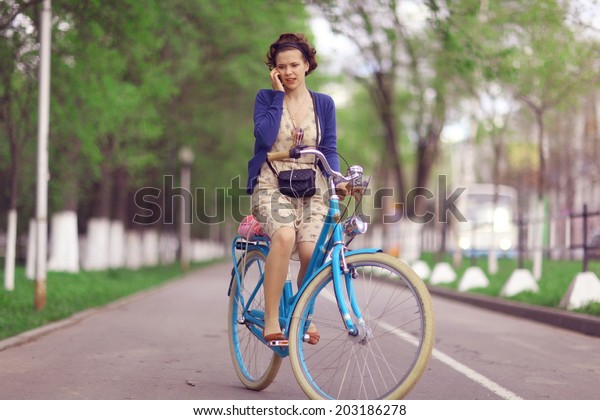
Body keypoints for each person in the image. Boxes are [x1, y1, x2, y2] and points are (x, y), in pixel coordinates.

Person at [246, 33, 347, 346]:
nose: (288, 72)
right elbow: (264, 138)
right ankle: (273, 319)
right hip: (271, 183)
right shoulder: (266, 98)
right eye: (281, 67)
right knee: (285, 235)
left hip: (311, 187)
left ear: (307, 65)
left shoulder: (324, 104)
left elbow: (328, 149)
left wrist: (337, 179)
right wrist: (277, 96)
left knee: (311, 251)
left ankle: (303, 313)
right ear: (274, 71)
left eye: (294, 65)